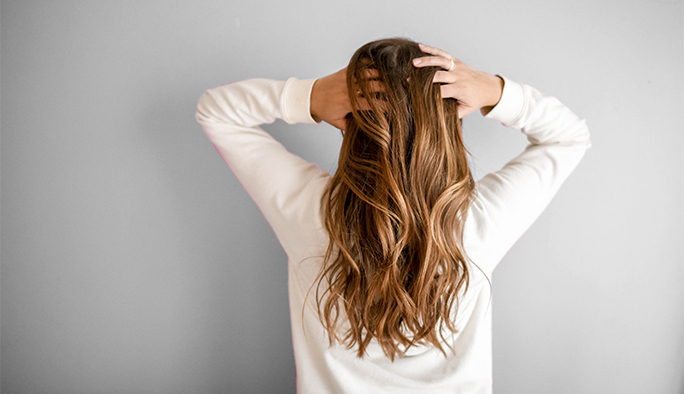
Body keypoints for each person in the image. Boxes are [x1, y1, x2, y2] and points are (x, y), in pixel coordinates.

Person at [195, 38, 590, 393]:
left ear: (350, 122)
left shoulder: (311, 213)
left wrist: (311, 96)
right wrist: (494, 91)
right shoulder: (476, 224)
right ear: (450, 129)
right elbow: (569, 136)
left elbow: (215, 112)